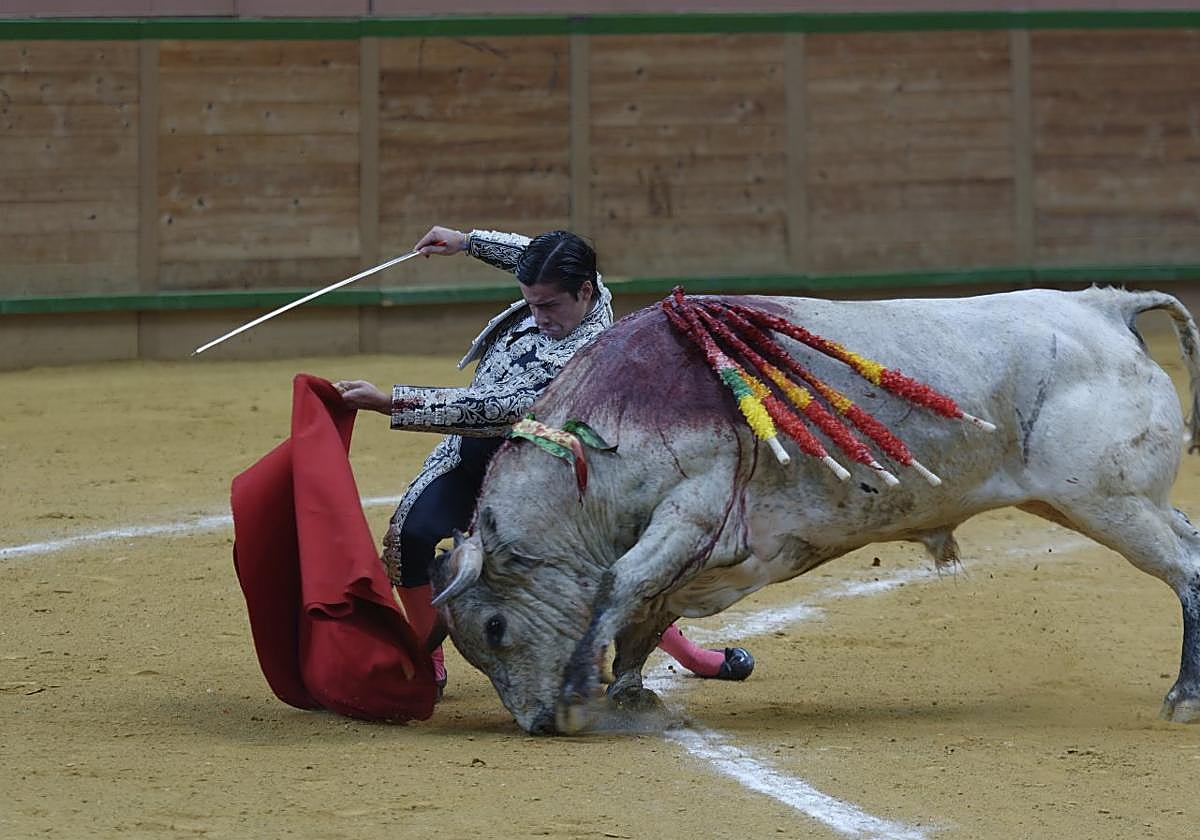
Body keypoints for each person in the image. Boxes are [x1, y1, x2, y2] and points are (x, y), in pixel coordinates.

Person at [334, 226, 754, 695]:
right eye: (531, 303)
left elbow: (494, 408)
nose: (539, 316)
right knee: (410, 537)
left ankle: (691, 656)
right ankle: (427, 655)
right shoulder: (576, 286)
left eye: (548, 306)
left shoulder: (588, 355)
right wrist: (466, 242)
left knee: (608, 570)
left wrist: (392, 402)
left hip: (546, 477)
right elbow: (528, 253)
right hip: (469, 456)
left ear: (585, 292)